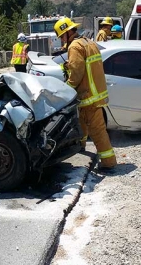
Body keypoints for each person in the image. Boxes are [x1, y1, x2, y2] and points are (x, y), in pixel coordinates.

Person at [54, 17, 118, 172]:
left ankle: (109, 162)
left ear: (68, 32)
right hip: (92, 93)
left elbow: (76, 72)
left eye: (62, 36)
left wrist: (67, 90)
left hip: (89, 96)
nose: (62, 39)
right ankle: (80, 146)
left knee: (97, 129)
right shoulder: (88, 42)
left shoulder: (75, 47)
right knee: (81, 121)